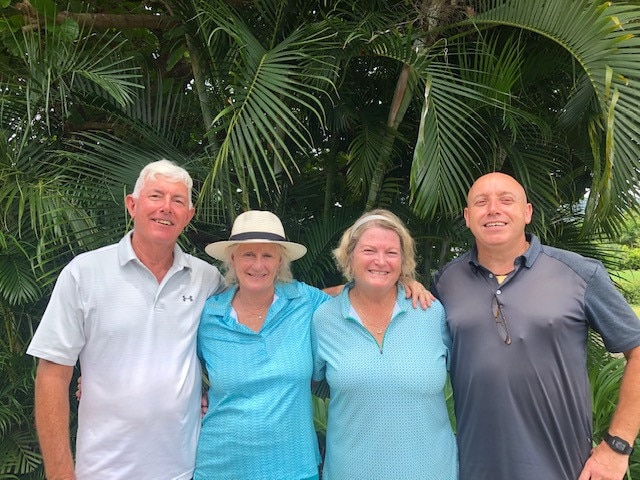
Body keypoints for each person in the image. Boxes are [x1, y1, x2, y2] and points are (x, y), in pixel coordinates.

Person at [193, 210, 433, 480]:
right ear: (233, 259)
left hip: (294, 467)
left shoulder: (305, 303)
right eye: (248, 254)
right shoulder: (208, 316)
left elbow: (356, 293)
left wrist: (402, 281)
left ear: (280, 261)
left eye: (267, 255)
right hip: (220, 466)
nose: (258, 265)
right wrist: (197, 398)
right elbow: (180, 367)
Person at [432, 172, 640, 480]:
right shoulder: (445, 282)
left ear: (527, 212)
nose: (493, 209)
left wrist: (617, 446)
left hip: (564, 468)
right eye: (481, 202)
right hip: (475, 470)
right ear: (467, 216)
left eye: (506, 200)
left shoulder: (579, 273)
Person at [27, 159, 225, 480]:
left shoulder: (207, 279)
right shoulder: (84, 273)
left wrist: (213, 396)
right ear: (132, 205)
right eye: (156, 196)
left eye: (178, 200)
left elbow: (253, 322)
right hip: (102, 470)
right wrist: (60, 473)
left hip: (183, 469)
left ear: (188, 216)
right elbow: (52, 373)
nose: (166, 208)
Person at [312, 209, 458, 480]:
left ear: (403, 261)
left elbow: (472, 378)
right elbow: (292, 380)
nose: (380, 261)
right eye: (369, 250)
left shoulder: (431, 312)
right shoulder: (323, 319)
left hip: (432, 472)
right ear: (350, 255)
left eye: (391, 252)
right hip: (351, 472)